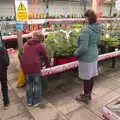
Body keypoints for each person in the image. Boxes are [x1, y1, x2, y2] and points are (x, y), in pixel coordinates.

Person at [74, 9, 100, 104]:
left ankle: (85, 96)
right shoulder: (97, 27)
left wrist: (75, 54)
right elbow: (98, 42)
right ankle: (88, 94)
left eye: (85, 17)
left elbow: (83, 48)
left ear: (87, 18)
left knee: (86, 77)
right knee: (91, 76)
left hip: (86, 58)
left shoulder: (86, 30)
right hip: (94, 55)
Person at [21, 32, 50, 106]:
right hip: (34, 67)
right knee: (37, 84)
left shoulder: (26, 44)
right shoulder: (40, 45)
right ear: (40, 39)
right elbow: (46, 56)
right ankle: (36, 101)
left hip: (25, 67)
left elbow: (22, 55)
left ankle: (29, 101)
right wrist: (48, 65)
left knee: (29, 84)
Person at [0, 43, 10, 107]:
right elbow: (6, 61)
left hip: (2, 70)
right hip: (2, 71)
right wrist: (5, 67)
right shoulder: (3, 49)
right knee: (4, 86)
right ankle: (6, 101)